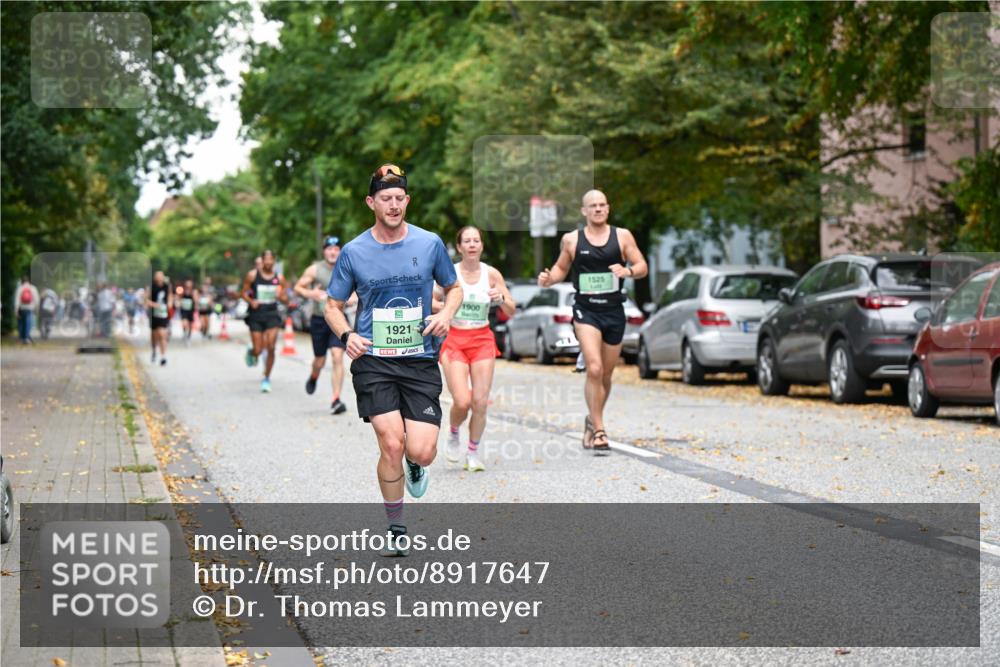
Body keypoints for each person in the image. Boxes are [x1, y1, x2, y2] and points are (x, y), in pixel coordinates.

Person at [325, 164, 461, 555]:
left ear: (407, 201)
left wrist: (445, 314)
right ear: (371, 203)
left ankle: (416, 464)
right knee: (390, 444)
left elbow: (453, 289)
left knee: (420, 450)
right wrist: (346, 335)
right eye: (386, 198)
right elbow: (332, 305)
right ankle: (396, 525)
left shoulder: (429, 243)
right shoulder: (353, 251)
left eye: (400, 198)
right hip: (374, 359)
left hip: (418, 359)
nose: (394, 204)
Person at [537, 189, 648, 455]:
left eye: (602, 205)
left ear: (608, 209)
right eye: (592, 206)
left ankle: (591, 419)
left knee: (607, 374)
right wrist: (549, 278)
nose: (598, 209)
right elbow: (562, 268)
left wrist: (627, 271)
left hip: (614, 311)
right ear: (584, 211)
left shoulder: (622, 236)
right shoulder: (572, 239)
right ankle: (599, 428)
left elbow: (642, 265)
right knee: (595, 369)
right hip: (586, 311)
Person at [437, 225, 515, 471]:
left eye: (476, 241)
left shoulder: (491, 274)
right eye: (467, 241)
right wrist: (447, 308)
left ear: (481, 246)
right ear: (459, 247)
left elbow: (511, 309)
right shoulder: (450, 273)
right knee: (462, 401)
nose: (472, 245)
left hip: (482, 339)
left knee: (480, 402)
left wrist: (501, 300)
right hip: (455, 340)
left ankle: (472, 453)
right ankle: (453, 433)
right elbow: (429, 299)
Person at [295, 235, 355, 414]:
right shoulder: (315, 269)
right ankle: (314, 375)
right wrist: (310, 294)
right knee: (320, 360)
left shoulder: (347, 268)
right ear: (324, 251)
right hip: (319, 319)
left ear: (340, 251)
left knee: (337, 356)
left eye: (336, 249)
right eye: (329, 249)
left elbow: (360, 289)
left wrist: (352, 298)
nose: (333, 252)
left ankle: (336, 399)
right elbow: (298, 287)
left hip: (338, 319)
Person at [241, 250, 289, 393]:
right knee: (258, 349)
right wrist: (251, 301)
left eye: (271, 259)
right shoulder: (252, 275)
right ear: (262, 260)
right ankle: (252, 351)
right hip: (256, 315)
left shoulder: (279, 278)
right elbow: (242, 293)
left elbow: (286, 299)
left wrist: (281, 296)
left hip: (272, 315)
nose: (268, 262)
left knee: (271, 346)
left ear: (274, 261)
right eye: (265, 259)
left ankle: (266, 378)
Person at [146, 271, 172, 365]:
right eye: (158, 276)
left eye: (161, 276)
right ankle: (154, 349)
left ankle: (163, 356)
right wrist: (154, 305)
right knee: (154, 335)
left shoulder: (167, 286)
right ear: (155, 278)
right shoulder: (151, 286)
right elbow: (146, 300)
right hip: (153, 314)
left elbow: (170, 296)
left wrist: (169, 303)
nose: (160, 278)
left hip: (163, 314)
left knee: (162, 334)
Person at [14, 277, 39, 344]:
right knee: (28, 323)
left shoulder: (20, 288)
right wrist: (36, 308)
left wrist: (16, 310)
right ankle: (26, 338)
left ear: (22, 281)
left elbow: (17, 300)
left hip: (22, 308)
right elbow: (36, 299)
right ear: (29, 281)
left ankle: (22, 338)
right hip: (30, 308)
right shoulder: (33, 288)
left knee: (22, 323)